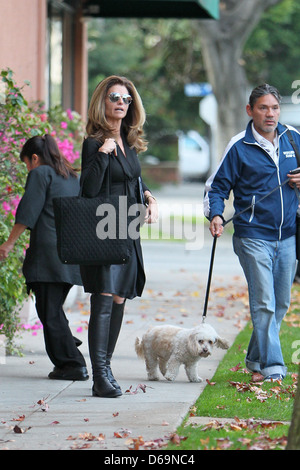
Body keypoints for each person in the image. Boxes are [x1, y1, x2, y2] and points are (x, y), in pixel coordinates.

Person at [204, 83, 300, 382]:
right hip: (252, 235)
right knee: (264, 302)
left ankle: (255, 359)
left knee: (281, 303)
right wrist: (217, 213)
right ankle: (273, 366)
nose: (269, 114)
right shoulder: (239, 146)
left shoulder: (293, 138)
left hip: (288, 235)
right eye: (263, 108)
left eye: (274, 108)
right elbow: (216, 187)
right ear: (250, 110)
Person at [80, 75, 158, 398]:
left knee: (119, 297)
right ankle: (99, 375)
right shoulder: (94, 142)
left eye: (126, 100)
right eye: (115, 97)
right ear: (103, 101)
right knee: (102, 296)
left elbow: (131, 180)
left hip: (127, 229)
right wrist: (102, 153)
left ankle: (106, 367)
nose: (121, 104)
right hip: (103, 229)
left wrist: (148, 196)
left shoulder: (130, 141)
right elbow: (87, 189)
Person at [0, 135, 88, 381]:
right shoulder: (71, 177)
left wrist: (8, 244)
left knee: (49, 312)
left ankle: (73, 364)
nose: (28, 168)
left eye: (27, 163)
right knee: (52, 310)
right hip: (71, 255)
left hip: (48, 256)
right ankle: (68, 347)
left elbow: (28, 211)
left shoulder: (41, 174)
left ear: (35, 158)